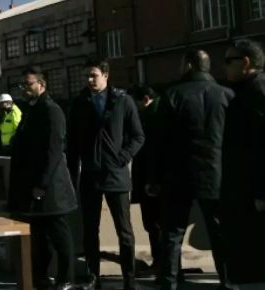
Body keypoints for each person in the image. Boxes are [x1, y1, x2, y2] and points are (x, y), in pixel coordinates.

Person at [154, 50, 233, 290]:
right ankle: (228, 281)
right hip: (216, 175)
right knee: (220, 234)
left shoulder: (172, 95)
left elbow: (159, 142)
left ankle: (169, 282)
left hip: (179, 175)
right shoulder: (227, 95)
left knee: (172, 233)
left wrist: (154, 177)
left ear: (189, 65)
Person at [66, 59, 145, 290]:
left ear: (106, 75)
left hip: (116, 176)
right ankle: (93, 277)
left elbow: (138, 136)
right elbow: (72, 144)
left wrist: (122, 158)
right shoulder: (80, 103)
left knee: (125, 231)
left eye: (94, 75)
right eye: (87, 77)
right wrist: (73, 177)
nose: (90, 80)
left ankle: (129, 278)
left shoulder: (123, 100)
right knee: (90, 230)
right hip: (90, 176)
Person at [8, 67, 77, 290]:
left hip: (51, 187)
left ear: (42, 85)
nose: (24, 89)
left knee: (59, 235)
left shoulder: (51, 110)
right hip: (33, 185)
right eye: (22, 85)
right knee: (40, 237)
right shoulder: (30, 110)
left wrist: (42, 184)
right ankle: (41, 277)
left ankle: (66, 279)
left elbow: (54, 150)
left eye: (28, 84)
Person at [221, 40, 265, 289]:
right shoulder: (247, 92)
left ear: (245, 63)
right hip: (244, 197)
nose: (225, 67)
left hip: (252, 201)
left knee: (253, 271)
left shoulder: (257, 92)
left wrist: (262, 192)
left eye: (229, 61)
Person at [127, 85, 164, 276]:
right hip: (157, 180)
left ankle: (161, 263)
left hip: (151, 182)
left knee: (154, 224)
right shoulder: (160, 113)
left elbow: (151, 153)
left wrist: (150, 181)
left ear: (145, 99)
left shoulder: (151, 117)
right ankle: (168, 265)